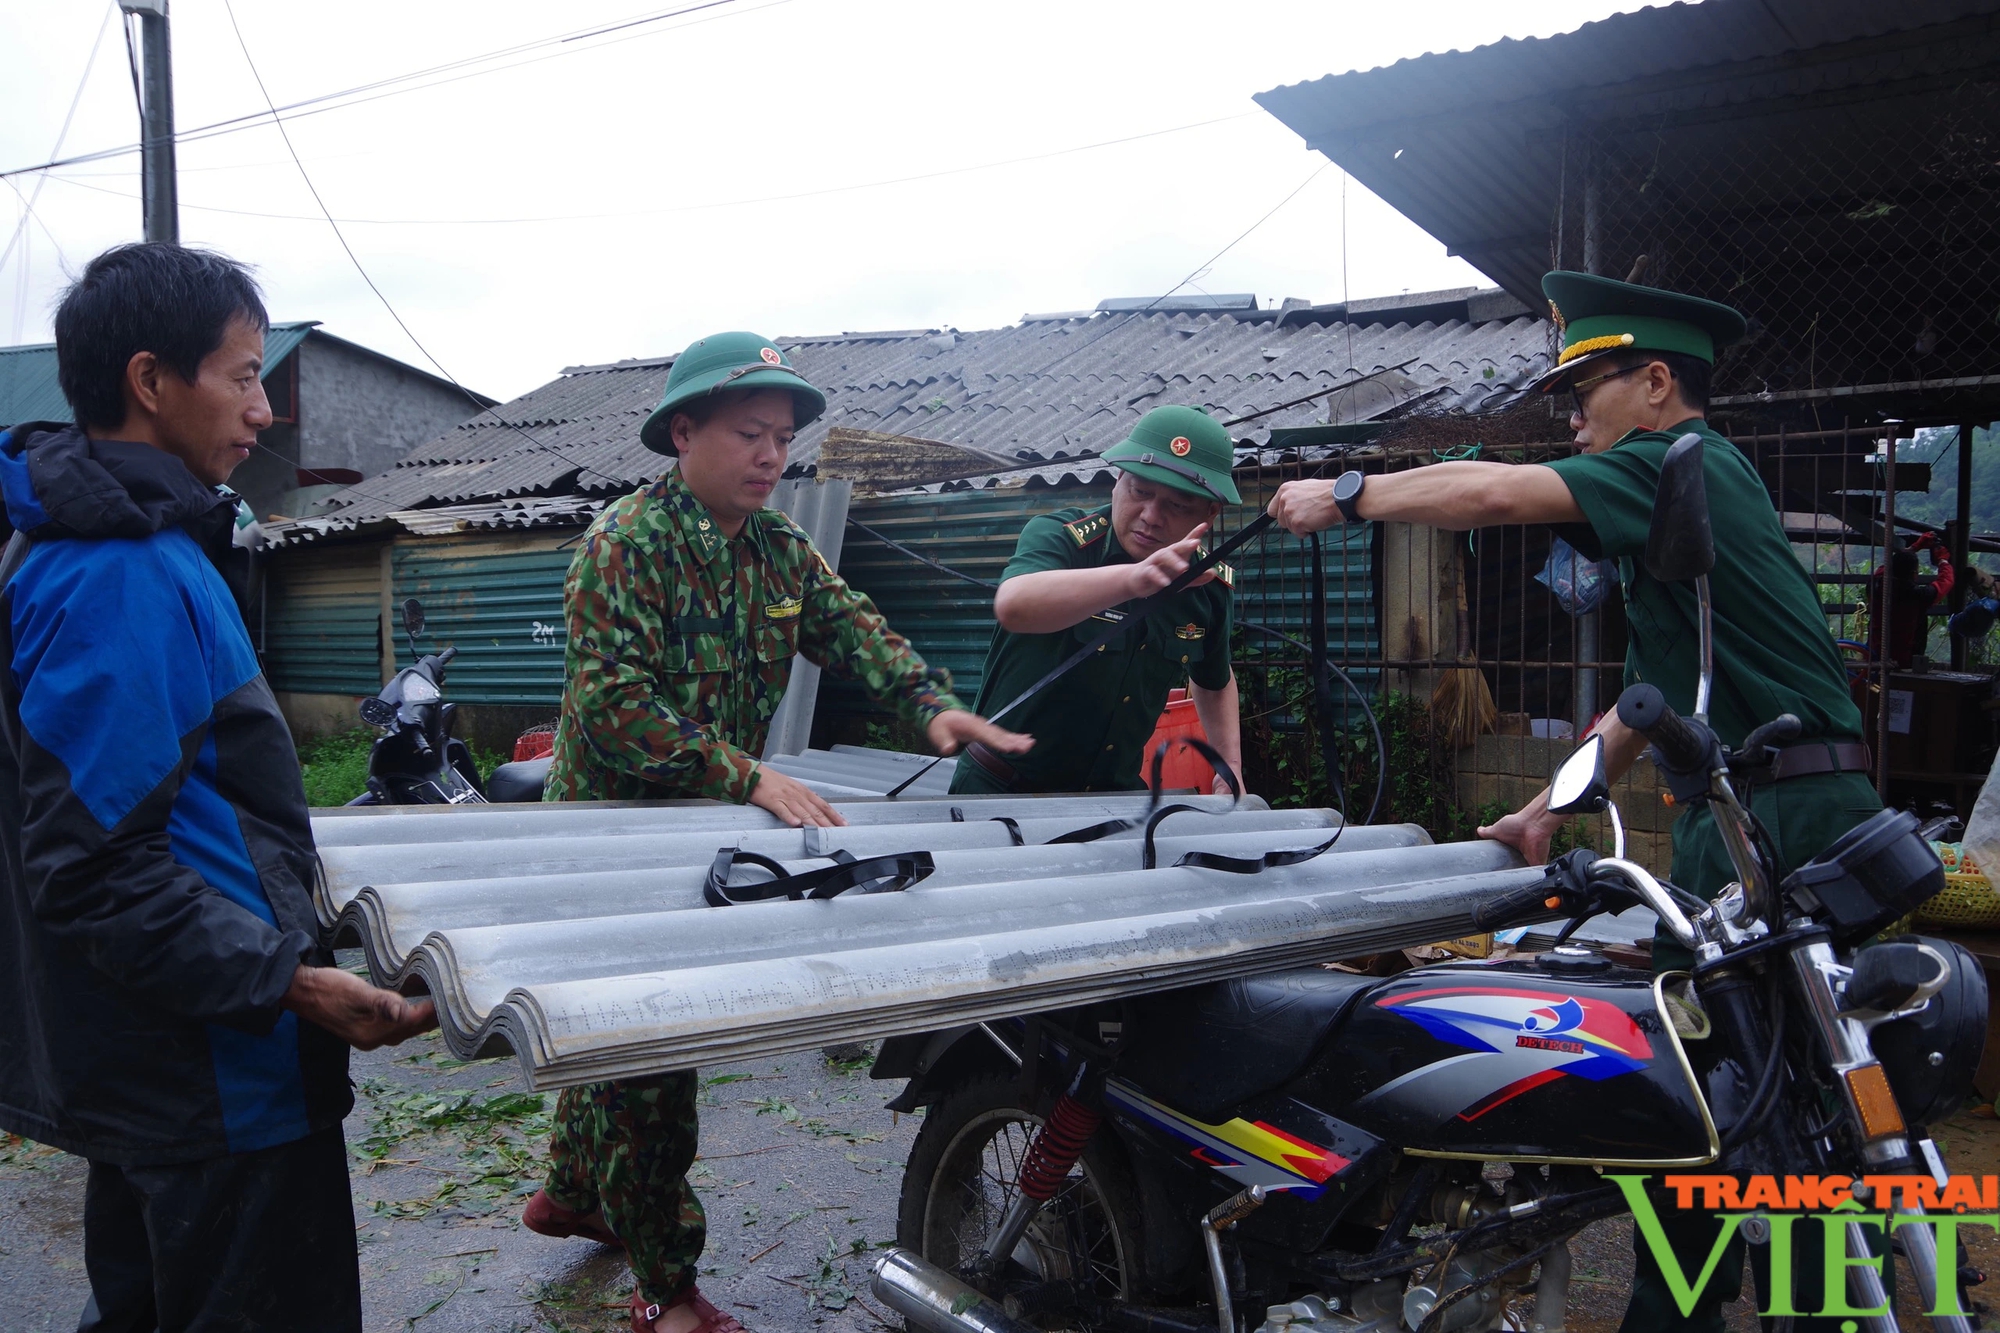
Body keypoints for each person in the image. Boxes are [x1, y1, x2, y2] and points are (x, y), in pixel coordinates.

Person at [1269, 270, 1881, 1331]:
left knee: (1789, 1095)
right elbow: (1638, 706)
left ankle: (1815, 1307)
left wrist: (1351, 495)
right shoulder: (1674, 531)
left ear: (1653, 384)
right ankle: (1678, 1311)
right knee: (1710, 1083)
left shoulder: (1673, 460)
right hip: (1740, 821)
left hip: (1782, 816)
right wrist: (1540, 813)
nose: (1570, 417)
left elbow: (1497, 494)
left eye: (1583, 389)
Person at [521, 331, 1029, 1333]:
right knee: (651, 1051)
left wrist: (930, 706)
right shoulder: (624, 548)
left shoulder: (777, 549)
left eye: (782, 438)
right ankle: (668, 1293)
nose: (770, 455)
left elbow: (852, 631)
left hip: (702, 832)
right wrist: (748, 774)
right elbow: (614, 709)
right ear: (683, 432)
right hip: (611, 833)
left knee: (616, 1042)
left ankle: (576, 1193)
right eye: (749, 433)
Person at [0, 243, 436, 1332]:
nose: (263, 410)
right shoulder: (118, 572)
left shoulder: (122, 538)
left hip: (155, 1063)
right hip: (211, 1079)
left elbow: (187, 807)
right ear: (150, 382)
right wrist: (290, 983)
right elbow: (98, 868)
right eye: (242, 375)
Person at [949, 404, 1244, 796]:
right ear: (1117, 480)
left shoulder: (1207, 584)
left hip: (1109, 798)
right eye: (1141, 491)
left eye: (1177, 505)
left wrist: (1230, 766)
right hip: (1001, 790)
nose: (1151, 515)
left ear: (1209, 512)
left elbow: (1214, 680)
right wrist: (1132, 580)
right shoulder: (1061, 539)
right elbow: (1014, 605)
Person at [1868, 531, 1953, 667]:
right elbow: (1946, 581)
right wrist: (1943, 560)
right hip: (1904, 659)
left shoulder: (1876, 584)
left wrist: (1915, 547)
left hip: (1874, 652)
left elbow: (1886, 567)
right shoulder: (1918, 595)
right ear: (1914, 574)